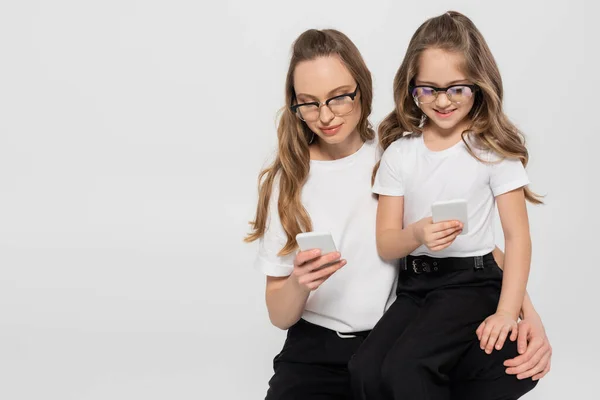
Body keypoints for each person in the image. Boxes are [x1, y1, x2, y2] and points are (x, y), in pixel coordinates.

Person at [245, 27, 551, 400]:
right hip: (320, 350)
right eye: (309, 102)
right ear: (294, 103)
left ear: (363, 88)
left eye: (339, 97)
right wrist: (299, 282)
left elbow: (474, 243)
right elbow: (278, 315)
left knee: (502, 356)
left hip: (404, 332)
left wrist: (526, 314)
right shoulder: (289, 180)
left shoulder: (397, 153)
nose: (325, 116)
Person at [349, 11, 544, 400]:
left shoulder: (492, 152)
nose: (442, 101)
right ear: (411, 88)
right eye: (429, 89)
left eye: (457, 88)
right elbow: (387, 243)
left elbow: (517, 238)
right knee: (364, 369)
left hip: (472, 284)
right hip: (417, 286)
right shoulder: (400, 155)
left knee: (407, 366)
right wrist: (417, 233)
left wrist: (508, 312)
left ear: (479, 85)